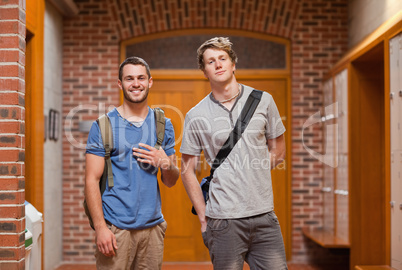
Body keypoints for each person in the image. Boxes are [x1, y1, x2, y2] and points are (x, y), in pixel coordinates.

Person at [180, 37, 288, 270]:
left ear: (233, 64)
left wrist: (252, 170)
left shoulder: (263, 100)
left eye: (222, 58)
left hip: (264, 217)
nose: (218, 64)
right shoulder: (195, 114)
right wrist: (202, 217)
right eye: (211, 61)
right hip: (222, 221)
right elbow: (187, 170)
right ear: (204, 71)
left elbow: (279, 150)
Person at [85, 56, 179, 269]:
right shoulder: (103, 125)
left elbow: (171, 181)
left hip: (152, 229)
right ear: (120, 84)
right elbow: (92, 179)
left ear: (150, 82)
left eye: (140, 78)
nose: (136, 83)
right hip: (116, 230)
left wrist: (165, 163)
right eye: (129, 78)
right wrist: (101, 228)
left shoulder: (163, 124)